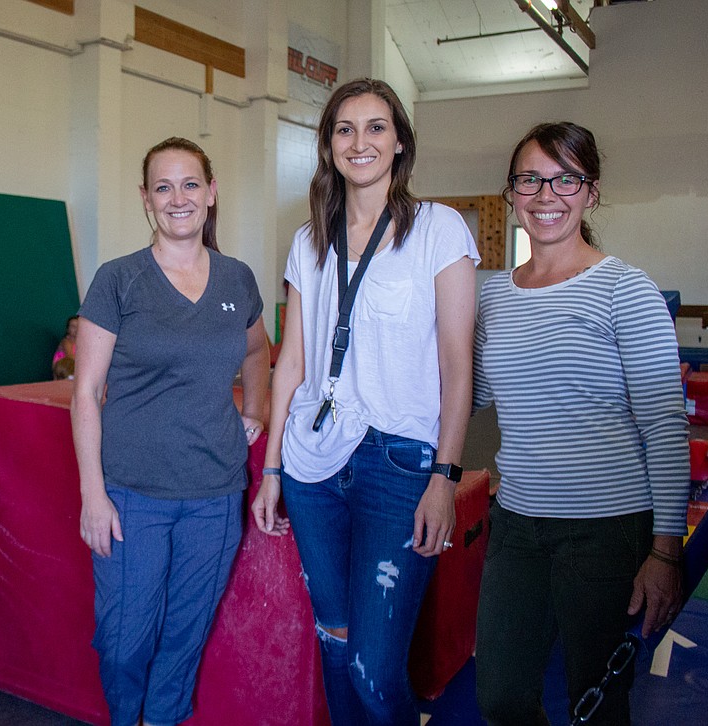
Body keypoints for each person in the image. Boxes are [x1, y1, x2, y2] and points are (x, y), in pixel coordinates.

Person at [251, 78, 479, 725]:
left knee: (374, 670)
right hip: (312, 462)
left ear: (400, 142)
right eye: (345, 129)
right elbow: (290, 360)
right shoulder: (309, 240)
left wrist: (445, 475)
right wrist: (272, 468)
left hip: (399, 463)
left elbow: (457, 366)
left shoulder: (438, 229)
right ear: (327, 145)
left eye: (376, 127)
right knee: (336, 641)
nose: (360, 141)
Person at [472, 122, 689, 725]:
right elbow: (475, 395)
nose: (547, 195)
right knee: (502, 695)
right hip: (517, 525)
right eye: (531, 180)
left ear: (590, 192)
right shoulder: (494, 296)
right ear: (511, 193)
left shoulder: (626, 289)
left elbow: (666, 426)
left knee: (596, 702)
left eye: (566, 178)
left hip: (607, 530)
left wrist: (666, 551)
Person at [71, 137, 270, 726]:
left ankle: (163, 718)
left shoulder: (236, 279)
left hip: (214, 492)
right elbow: (85, 392)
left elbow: (258, 349)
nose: (177, 198)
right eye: (163, 187)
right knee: (124, 638)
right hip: (133, 494)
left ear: (211, 193)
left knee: (186, 635)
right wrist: (92, 493)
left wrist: (254, 405)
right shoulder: (120, 279)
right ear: (145, 199)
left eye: (190, 185)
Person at [52, 315, 79, 380]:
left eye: (78, 326)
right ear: (68, 329)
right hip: (64, 371)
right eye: (73, 326)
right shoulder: (66, 342)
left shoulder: (81, 343)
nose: (76, 329)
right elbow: (70, 357)